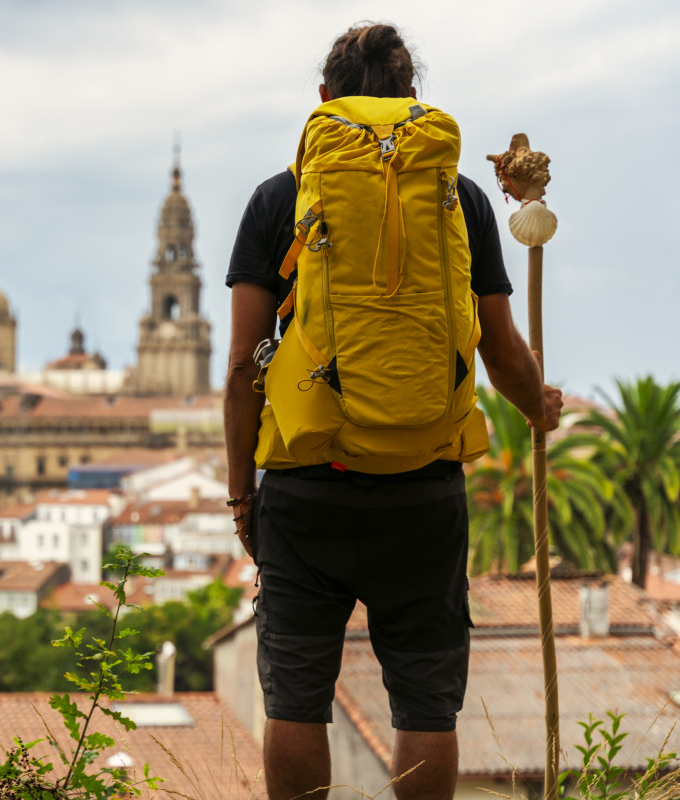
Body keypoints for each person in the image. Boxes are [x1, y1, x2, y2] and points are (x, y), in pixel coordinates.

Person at [222, 23, 563, 800]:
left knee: (297, 699)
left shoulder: (279, 199)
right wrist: (537, 407)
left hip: (307, 484)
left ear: (323, 100)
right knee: (424, 706)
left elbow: (243, 364)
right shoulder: (461, 197)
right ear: (412, 100)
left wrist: (242, 494)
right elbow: (500, 352)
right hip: (423, 485)